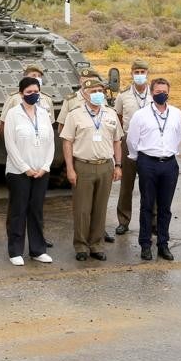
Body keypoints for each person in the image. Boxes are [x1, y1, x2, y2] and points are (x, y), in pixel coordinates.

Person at [61, 78, 124, 261]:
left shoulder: (111, 113)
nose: (97, 94)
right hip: (83, 166)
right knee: (82, 209)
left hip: (105, 165)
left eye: (100, 91)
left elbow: (117, 141)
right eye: (93, 91)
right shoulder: (75, 114)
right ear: (85, 94)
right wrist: (70, 169)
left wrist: (118, 165)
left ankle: (96, 245)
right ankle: (81, 246)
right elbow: (67, 142)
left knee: (100, 208)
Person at [125, 78, 181, 261]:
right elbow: (131, 141)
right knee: (147, 205)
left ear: (169, 92)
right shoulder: (140, 115)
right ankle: (145, 244)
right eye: (158, 92)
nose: (161, 94)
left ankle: (163, 244)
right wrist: (140, 159)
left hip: (169, 164)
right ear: (152, 93)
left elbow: (178, 136)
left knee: (165, 207)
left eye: (164, 91)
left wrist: (169, 153)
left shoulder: (176, 113)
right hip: (147, 163)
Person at [4, 76, 55, 266]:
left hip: (41, 171)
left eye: (36, 92)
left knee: (36, 210)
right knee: (18, 210)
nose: (33, 95)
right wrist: (25, 168)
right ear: (21, 94)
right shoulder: (12, 114)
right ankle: (15, 250)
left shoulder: (43, 113)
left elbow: (50, 142)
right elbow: (10, 144)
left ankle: (37, 250)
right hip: (18, 172)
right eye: (29, 92)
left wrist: (45, 166)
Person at [112, 59, 151, 236]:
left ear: (147, 73)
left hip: (150, 143)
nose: (140, 75)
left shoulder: (154, 94)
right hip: (129, 142)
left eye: (143, 72)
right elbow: (118, 118)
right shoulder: (123, 95)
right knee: (126, 184)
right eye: (137, 72)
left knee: (150, 184)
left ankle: (153, 221)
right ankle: (123, 220)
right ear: (131, 73)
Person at [0, 64, 54, 134]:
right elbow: (3, 125)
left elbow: (51, 125)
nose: (37, 78)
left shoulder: (47, 99)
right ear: (25, 78)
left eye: (39, 76)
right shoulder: (14, 98)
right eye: (34, 75)